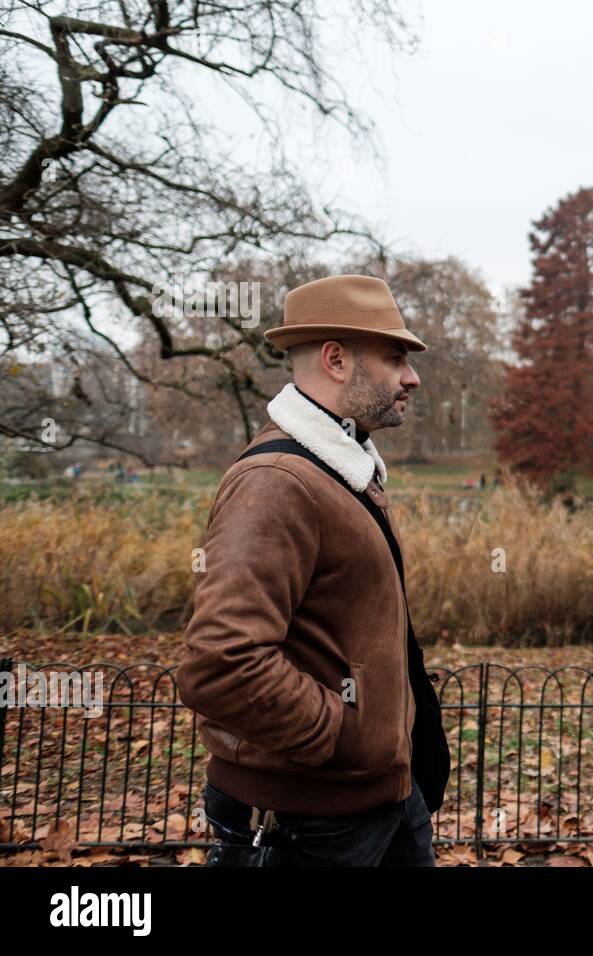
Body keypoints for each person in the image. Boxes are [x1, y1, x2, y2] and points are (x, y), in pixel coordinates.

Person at [176, 274, 450, 866]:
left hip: (387, 801)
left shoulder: (344, 469)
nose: (412, 377)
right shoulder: (277, 483)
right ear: (336, 359)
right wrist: (346, 735)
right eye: (396, 357)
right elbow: (221, 664)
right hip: (307, 824)